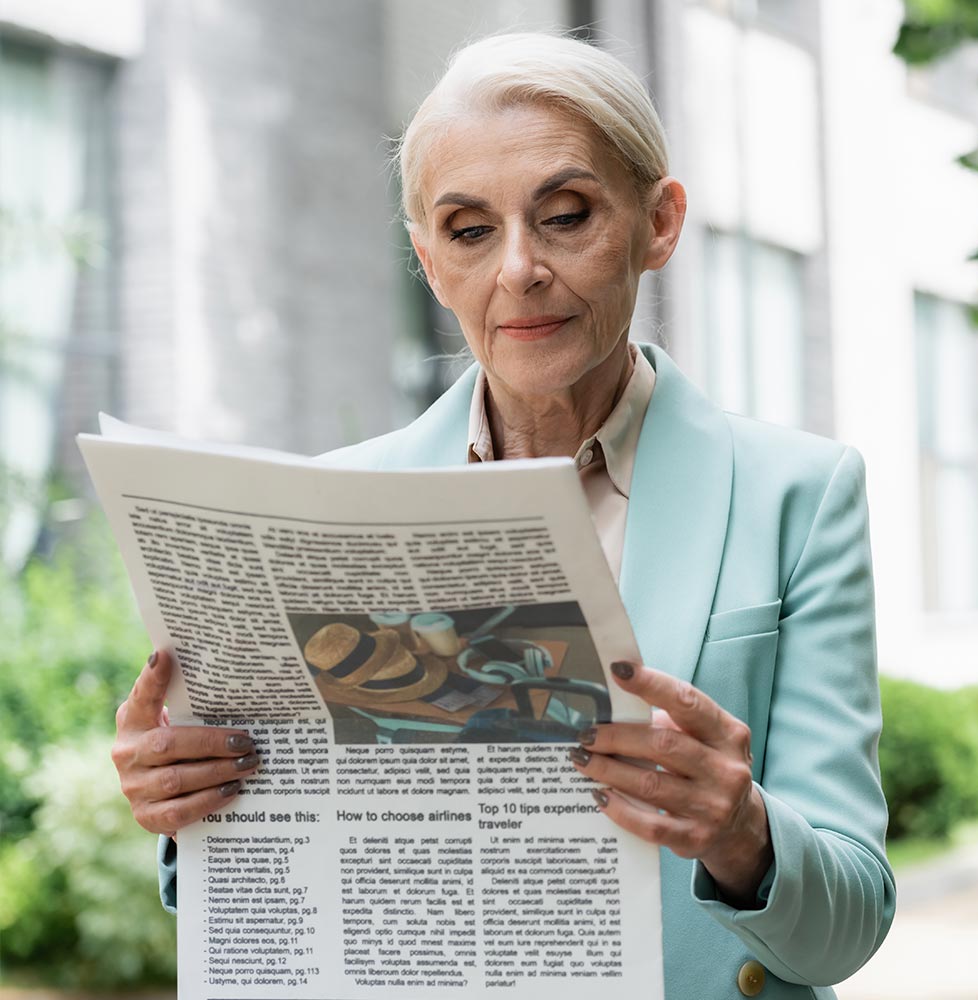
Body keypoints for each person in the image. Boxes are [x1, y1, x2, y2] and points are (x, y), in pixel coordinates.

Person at [111, 31, 895, 998]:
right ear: (429, 262)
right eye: (470, 230)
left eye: (565, 216)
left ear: (659, 222)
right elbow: (283, 897)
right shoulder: (326, 511)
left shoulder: (797, 497)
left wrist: (746, 833)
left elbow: (849, 926)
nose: (519, 268)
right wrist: (194, 803)